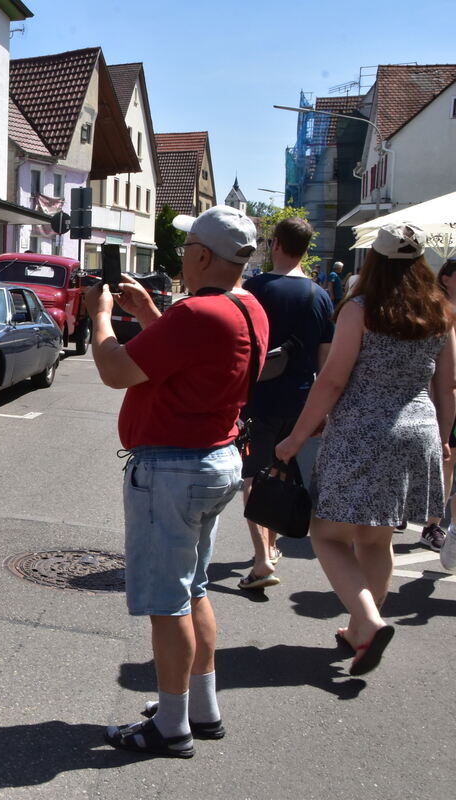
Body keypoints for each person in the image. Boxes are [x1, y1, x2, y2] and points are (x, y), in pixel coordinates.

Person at [86, 205, 266, 758]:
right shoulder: (247, 306)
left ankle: (171, 726)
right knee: (194, 589)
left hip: (172, 469)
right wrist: (149, 314)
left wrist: (99, 317)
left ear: (203, 256)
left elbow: (116, 370)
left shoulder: (197, 313)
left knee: (168, 603)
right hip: (214, 459)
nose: (181, 255)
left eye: (187, 247)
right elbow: (190, 360)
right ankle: (200, 708)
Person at [275, 222, 455, 676]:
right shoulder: (441, 311)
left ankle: (369, 622)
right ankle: (359, 631)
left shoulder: (361, 309)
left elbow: (333, 380)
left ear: (374, 260)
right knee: (376, 540)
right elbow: (447, 386)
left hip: (362, 433)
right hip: (418, 432)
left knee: (328, 535)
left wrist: (296, 438)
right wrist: (443, 438)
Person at [237, 217, 335, 590]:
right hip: (301, 402)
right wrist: (322, 410)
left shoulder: (255, 288)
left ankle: (262, 559)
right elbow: (326, 363)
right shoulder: (320, 296)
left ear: (276, 243)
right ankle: (272, 545)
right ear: (306, 249)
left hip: (258, 397)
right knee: (280, 472)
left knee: (252, 474)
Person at [419, 258, 456, 552]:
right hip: (436, 396)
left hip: (449, 394)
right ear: (446, 278)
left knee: (449, 460)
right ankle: (419, 517)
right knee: (441, 458)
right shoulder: (435, 309)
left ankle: (434, 524)